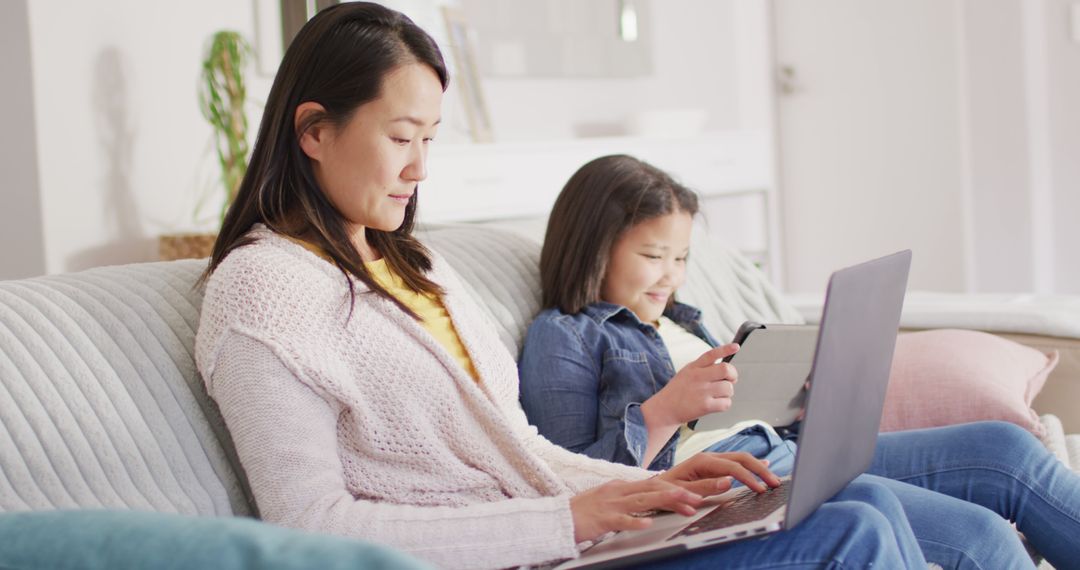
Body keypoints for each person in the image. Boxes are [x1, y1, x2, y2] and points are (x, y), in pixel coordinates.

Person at [194, 3, 931, 569]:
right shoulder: (263, 291)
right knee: (855, 529)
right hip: (531, 553)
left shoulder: (417, 265)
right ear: (314, 131)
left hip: (568, 540)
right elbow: (309, 526)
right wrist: (571, 519)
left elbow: (517, 449)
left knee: (855, 496)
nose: (420, 168)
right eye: (399, 137)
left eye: (430, 138)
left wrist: (649, 488)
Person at [519, 153, 1080, 569]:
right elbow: (571, 478)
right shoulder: (564, 336)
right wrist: (664, 410)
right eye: (653, 255)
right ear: (592, 247)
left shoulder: (682, 318)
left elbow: (736, 410)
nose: (672, 275)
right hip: (727, 476)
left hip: (787, 450)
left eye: (683, 257)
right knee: (977, 536)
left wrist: (802, 398)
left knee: (1003, 450)